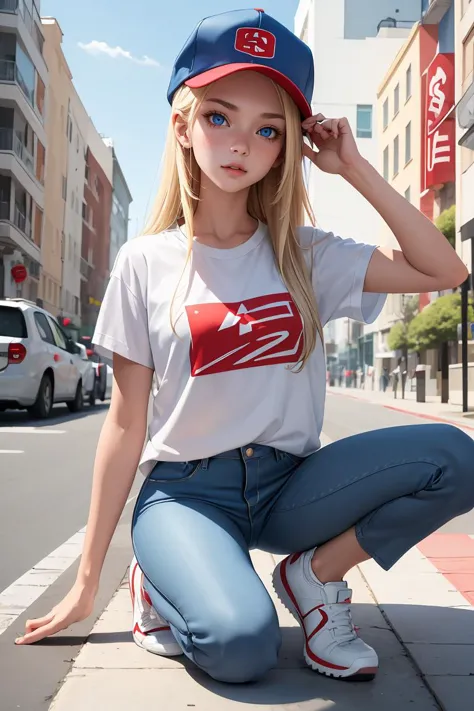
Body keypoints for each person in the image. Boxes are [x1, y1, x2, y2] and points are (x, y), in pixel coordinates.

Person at [16, 8, 474, 687]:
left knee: (455, 459)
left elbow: (446, 270)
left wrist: (352, 168)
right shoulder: (145, 263)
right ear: (183, 126)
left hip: (290, 484)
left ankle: (314, 578)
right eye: (219, 117)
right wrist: (88, 581)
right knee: (242, 646)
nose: (241, 144)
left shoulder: (306, 255)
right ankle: (156, 586)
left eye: (268, 129)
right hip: (187, 495)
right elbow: (124, 422)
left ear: (287, 146)